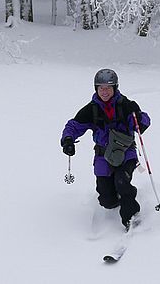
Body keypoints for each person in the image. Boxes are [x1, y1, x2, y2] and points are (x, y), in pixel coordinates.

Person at [60, 68, 150, 229]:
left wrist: (140, 118)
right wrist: (68, 140)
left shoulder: (125, 105)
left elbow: (141, 122)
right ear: (96, 88)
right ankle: (115, 196)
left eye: (108, 88)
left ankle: (131, 218)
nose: (105, 91)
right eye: (101, 88)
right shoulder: (91, 109)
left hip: (125, 152)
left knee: (122, 182)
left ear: (115, 88)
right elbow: (73, 126)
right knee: (107, 201)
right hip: (103, 156)